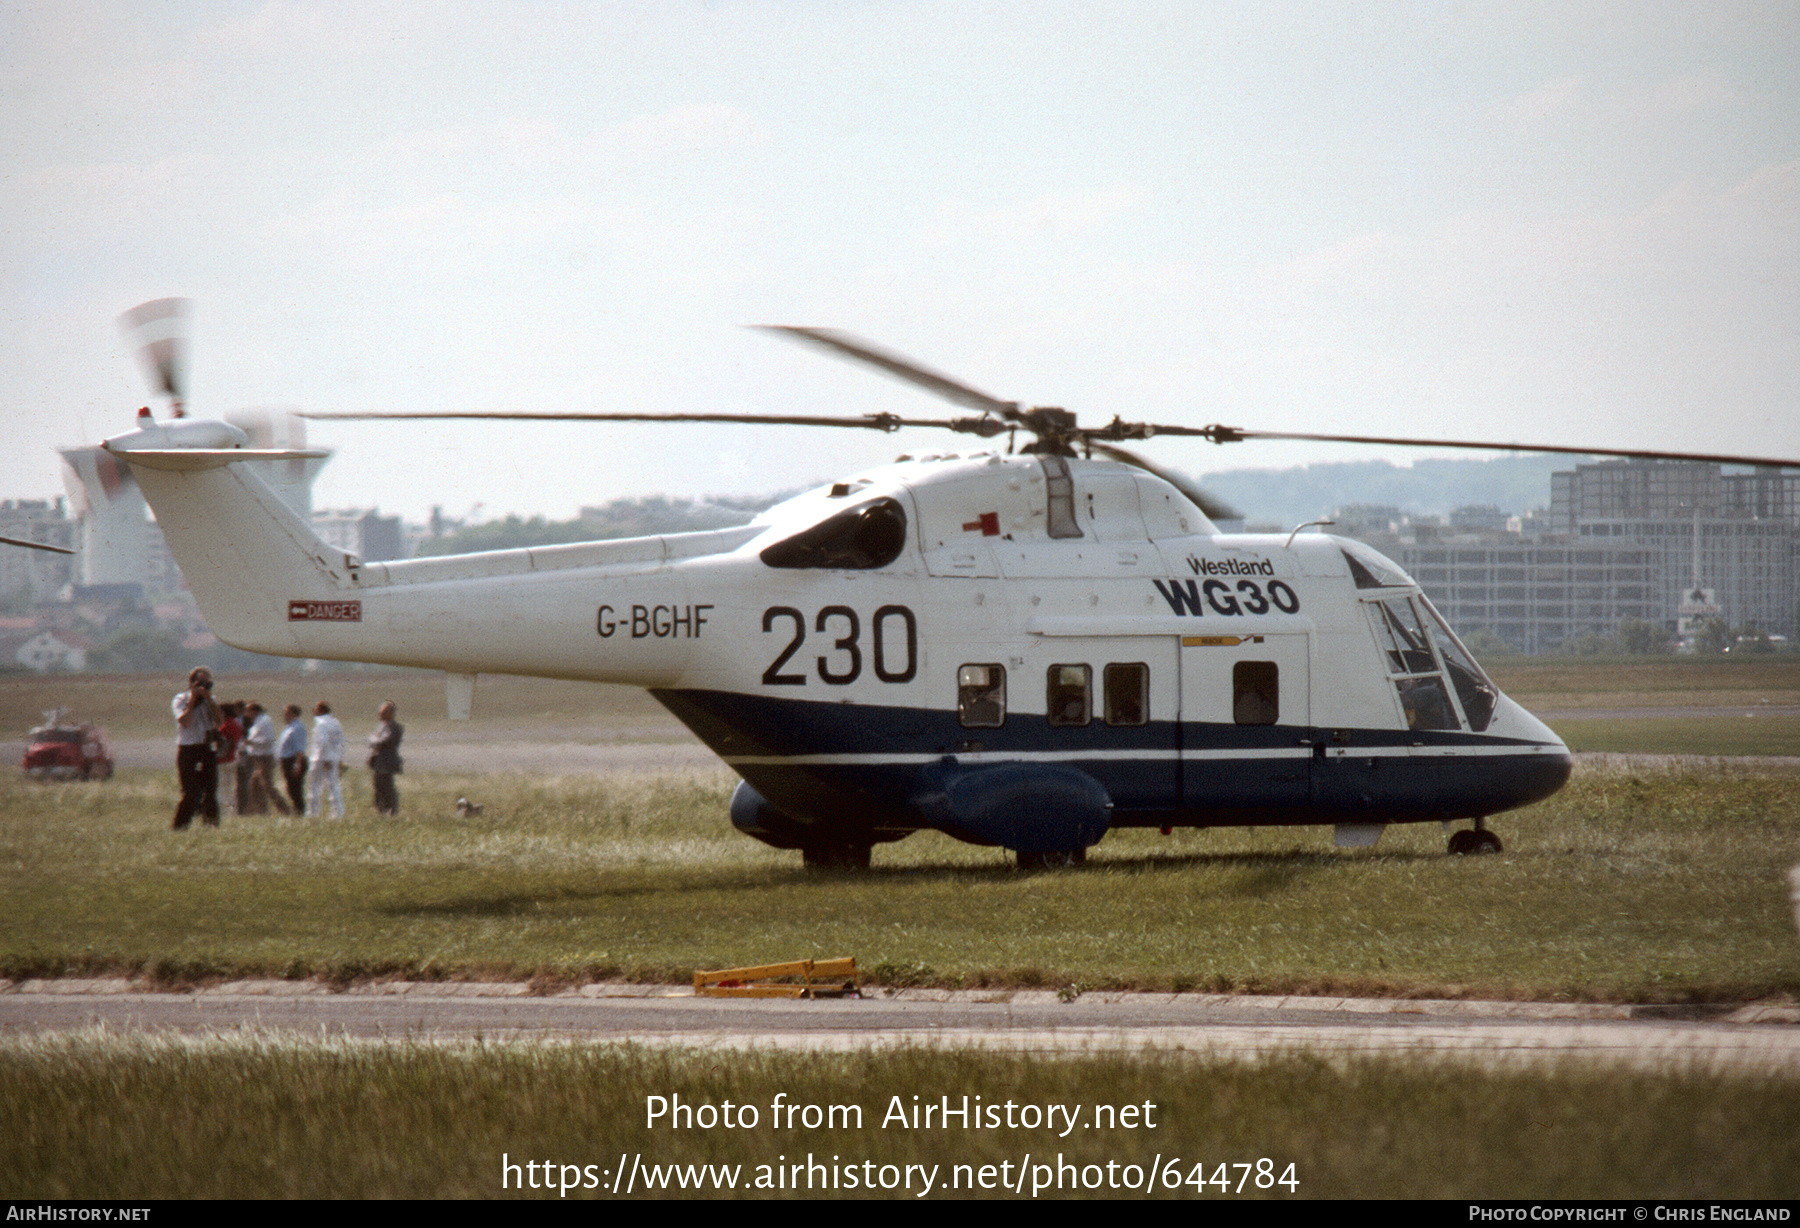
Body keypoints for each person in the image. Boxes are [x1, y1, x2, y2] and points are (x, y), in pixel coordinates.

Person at [171, 666, 222, 830]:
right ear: (192, 683)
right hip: (188, 749)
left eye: (207, 683)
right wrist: (193, 699)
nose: (203, 687)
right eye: (200, 683)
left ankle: (211, 825)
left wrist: (209, 699)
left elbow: (220, 721)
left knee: (210, 791)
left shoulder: (210, 700)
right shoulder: (180, 699)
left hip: (206, 747)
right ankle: (180, 826)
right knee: (191, 792)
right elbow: (185, 721)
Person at [241, 701, 288, 816]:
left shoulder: (264, 721)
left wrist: (251, 742)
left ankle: (285, 809)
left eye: (248, 710)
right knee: (254, 784)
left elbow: (268, 739)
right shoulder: (257, 722)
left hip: (265, 758)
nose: (246, 713)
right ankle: (259, 811)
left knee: (267, 785)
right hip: (258, 758)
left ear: (255, 711)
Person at [308, 700, 345, 819]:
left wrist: (322, 757)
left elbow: (322, 742)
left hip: (321, 758)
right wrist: (338, 757)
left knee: (315, 787)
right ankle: (338, 813)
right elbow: (340, 741)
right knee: (334, 785)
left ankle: (312, 814)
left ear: (321, 710)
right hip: (333, 757)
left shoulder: (321, 723)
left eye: (316, 709)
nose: (314, 712)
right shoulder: (335, 723)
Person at [367, 701, 404, 817]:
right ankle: (381, 811)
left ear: (390, 713)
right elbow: (373, 739)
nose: (380, 715)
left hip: (387, 762)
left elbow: (384, 741)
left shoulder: (394, 727)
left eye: (383, 712)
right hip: (379, 762)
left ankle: (392, 812)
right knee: (378, 787)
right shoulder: (382, 726)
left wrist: (374, 741)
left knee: (387, 788)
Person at [277, 704, 308, 818]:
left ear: (293, 714)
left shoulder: (298, 727)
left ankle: (300, 813)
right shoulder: (289, 727)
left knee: (295, 788)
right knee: (290, 788)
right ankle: (297, 811)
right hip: (286, 761)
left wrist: (298, 764)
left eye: (286, 713)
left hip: (293, 760)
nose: (284, 715)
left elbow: (300, 749)